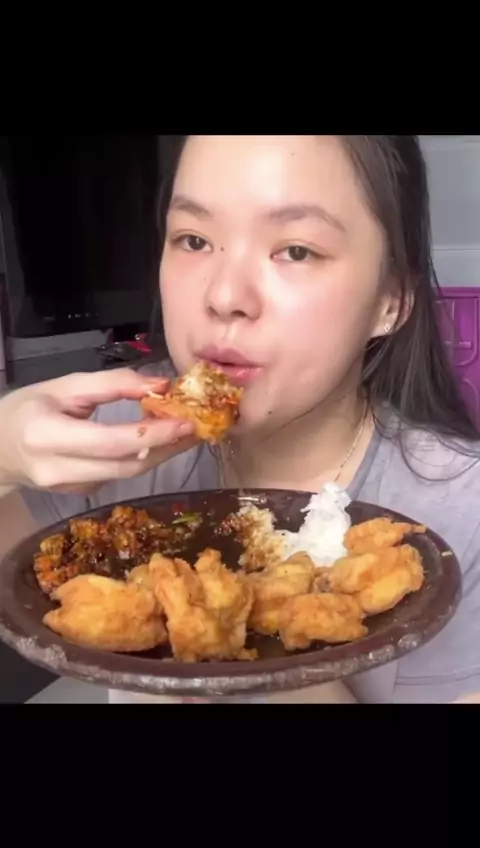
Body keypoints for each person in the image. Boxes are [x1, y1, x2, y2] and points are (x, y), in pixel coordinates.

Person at [1, 134, 479, 704]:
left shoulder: (464, 513)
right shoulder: (113, 440)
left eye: (296, 250)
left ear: (391, 300)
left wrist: (282, 667)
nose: (224, 295)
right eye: (194, 240)